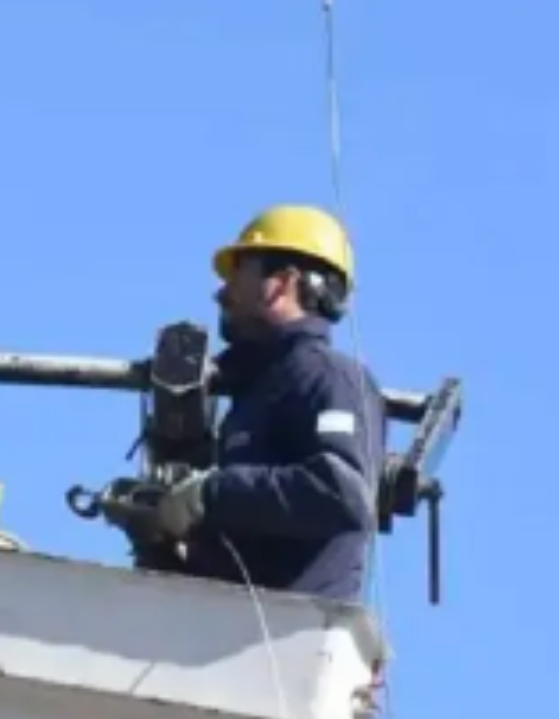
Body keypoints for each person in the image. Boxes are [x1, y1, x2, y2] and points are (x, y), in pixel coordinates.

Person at [139, 204, 386, 601]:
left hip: (295, 637)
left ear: (282, 283)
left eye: (239, 274)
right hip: (235, 633)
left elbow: (341, 493)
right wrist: (157, 538)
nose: (220, 293)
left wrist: (209, 494)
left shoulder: (327, 376)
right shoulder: (256, 392)